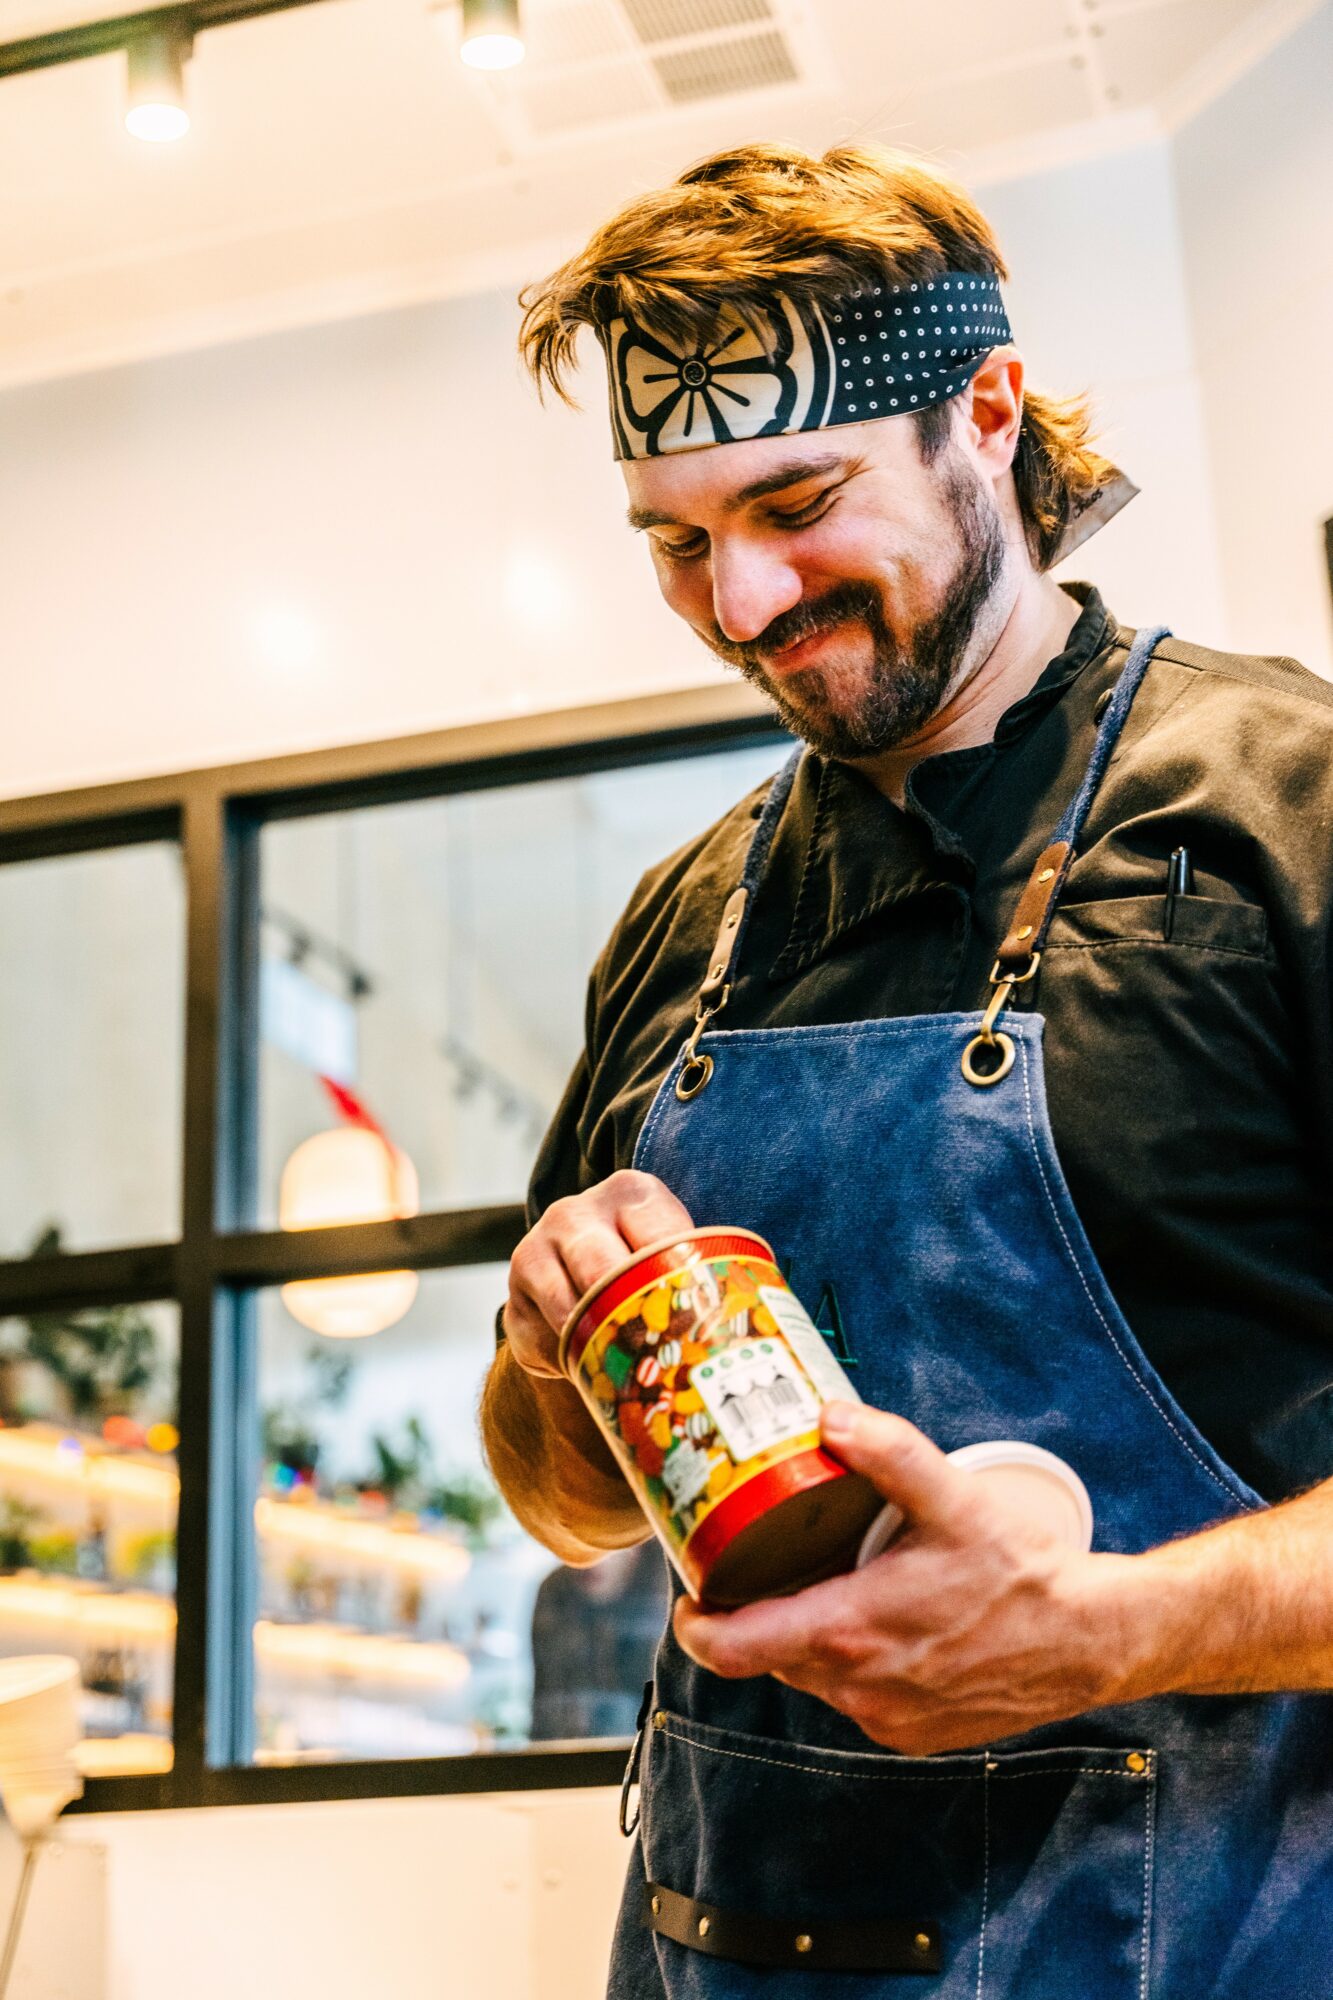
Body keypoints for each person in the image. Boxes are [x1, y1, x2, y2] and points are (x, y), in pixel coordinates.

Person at [480, 141, 1333, 1997]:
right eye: (675, 541)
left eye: (795, 501)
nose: (740, 600)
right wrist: (554, 1356)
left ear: (988, 413)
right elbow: (563, 1503)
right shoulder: (684, 916)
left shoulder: (1288, 810)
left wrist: (1115, 1629)